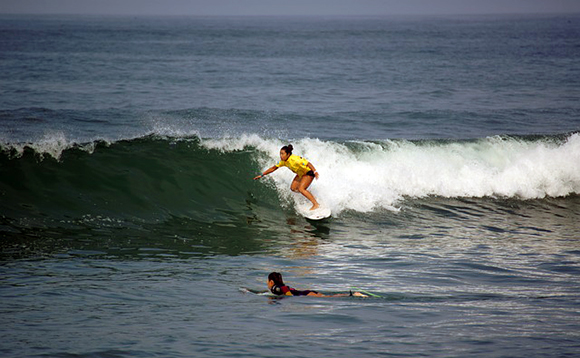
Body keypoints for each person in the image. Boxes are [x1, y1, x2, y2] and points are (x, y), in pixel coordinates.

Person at [254, 144, 320, 210]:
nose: (281, 156)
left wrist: (315, 172)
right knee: (293, 188)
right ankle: (309, 195)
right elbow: (273, 168)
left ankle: (316, 204)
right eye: (280, 154)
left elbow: (308, 163)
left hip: (309, 172)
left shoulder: (295, 159)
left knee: (301, 189)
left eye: (282, 154)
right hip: (301, 174)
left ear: (288, 154)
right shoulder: (283, 162)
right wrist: (262, 175)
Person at [267, 272, 368, 298]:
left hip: (306, 294)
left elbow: (284, 289)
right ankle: (352, 294)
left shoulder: (275, 288)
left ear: (271, 281)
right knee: (328, 297)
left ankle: (353, 295)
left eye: (267, 281)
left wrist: (291, 297)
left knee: (329, 297)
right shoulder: (277, 287)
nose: (267, 283)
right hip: (307, 293)